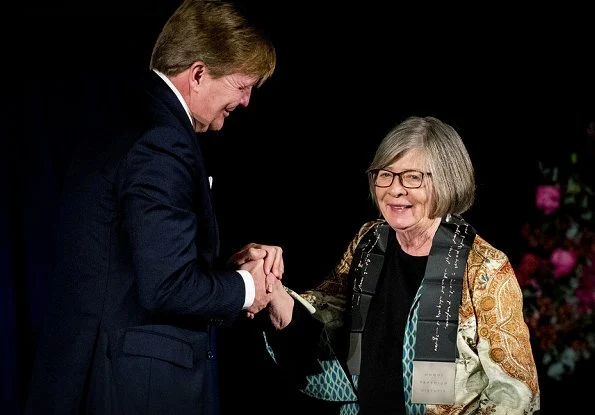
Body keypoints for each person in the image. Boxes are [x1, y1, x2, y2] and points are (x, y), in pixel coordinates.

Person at [25, 1, 282, 414]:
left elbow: (137, 259)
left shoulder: (128, 117)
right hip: (131, 387)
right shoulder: (162, 141)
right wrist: (249, 288)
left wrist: (228, 269)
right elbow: (166, 285)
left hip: (90, 373)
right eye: (242, 85)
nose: (247, 101)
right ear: (198, 74)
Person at [261, 116, 541, 414]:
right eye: (385, 174)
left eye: (412, 177)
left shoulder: (485, 267)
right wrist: (273, 291)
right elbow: (328, 312)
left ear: (447, 180)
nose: (394, 190)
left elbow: (515, 391)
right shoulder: (368, 240)